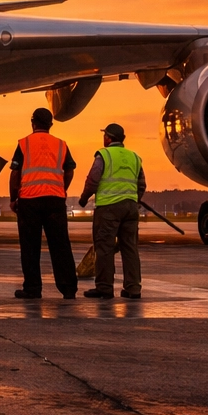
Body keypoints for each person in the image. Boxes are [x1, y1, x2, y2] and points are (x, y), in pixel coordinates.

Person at [9, 106, 78, 299]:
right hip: (55, 200)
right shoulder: (61, 144)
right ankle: (68, 289)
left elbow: (15, 173)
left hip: (29, 200)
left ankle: (32, 288)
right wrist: (61, 188)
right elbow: (70, 170)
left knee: (30, 246)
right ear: (50, 125)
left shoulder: (24, 143)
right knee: (61, 245)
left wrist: (13, 198)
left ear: (33, 123)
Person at [79, 122, 145, 300]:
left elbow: (93, 180)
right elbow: (141, 184)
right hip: (131, 208)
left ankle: (104, 287)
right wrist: (134, 200)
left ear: (108, 138)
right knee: (130, 248)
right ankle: (133, 288)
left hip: (108, 208)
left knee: (104, 248)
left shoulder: (104, 155)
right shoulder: (134, 157)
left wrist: (84, 198)